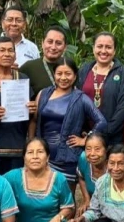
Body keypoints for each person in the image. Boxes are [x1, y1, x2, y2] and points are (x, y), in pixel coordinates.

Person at [32, 58, 107, 188]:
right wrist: (32, 144)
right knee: (42, 197)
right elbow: (34, 120)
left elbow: (102, 122)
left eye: (68, 74)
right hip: (42, 156)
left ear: (75, 76)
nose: (63, 77)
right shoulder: (43, 94)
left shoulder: (81, 98)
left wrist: (86, 140)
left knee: (67, 200)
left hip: (66, 158)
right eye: (59, 73)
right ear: (54, 74)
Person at [0, 36, 37, 174]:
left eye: (10, 51)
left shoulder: (22, 78)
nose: (7, 54)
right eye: (2, 50)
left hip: (18, 145)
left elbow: (32, 115)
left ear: (15, 55)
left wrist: (32, 108)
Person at [78, 32, 124, 146]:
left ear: (114, 50)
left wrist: (100, 134)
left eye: (108, 47)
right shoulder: (84, 70)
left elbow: (122, 109)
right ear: (93, 48)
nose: (103, 51)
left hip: (112, 140)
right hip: (84, 139)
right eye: (99, 46)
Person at [77, 132, 108, 222]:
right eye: (88, 149)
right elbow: (81, 178)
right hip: (95, 205)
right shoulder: (83, 158)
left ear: (106, 150)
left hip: (114, 206)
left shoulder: (113, 164)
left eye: (97, 149)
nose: (92, 153)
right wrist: (86, 200)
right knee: (83, 213)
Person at [19, 26, 68, 95]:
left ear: (65, 47)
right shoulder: (29, 67)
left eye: (58, 43)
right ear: (42, 43)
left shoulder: (69, 66)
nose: (53, 47)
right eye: (50, 42)